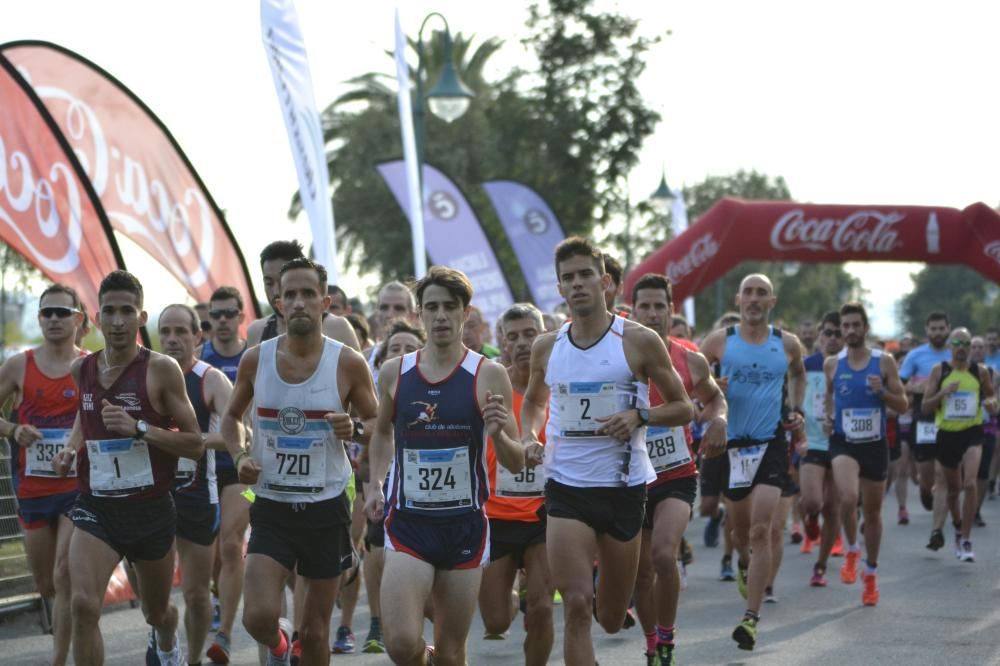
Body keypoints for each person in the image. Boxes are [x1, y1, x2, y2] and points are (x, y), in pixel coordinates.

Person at [520, 238, 694, 666]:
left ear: (603, 281)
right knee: (577, 604)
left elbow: (683, 407)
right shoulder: (547, 347)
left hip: (623, 489)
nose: (577, 284)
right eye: (568, 278)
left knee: (611, 618)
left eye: (584, 275)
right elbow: (534, 402)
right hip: (566, 489)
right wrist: (528, 436)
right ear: (560, 288)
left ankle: (612, 610)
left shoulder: (638, 340)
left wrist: (641, 416)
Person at [364, 266, 525, 666]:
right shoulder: (394, 373)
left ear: (465, 313)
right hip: (408, 525)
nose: (440, 316)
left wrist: (499, 433)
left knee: (453, 653)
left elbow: (516, 459)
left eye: (449, 307)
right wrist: (376, 484)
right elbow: (383, 433)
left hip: (463, 527)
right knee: (401, 644)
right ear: (419, 313)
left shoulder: (488, 374)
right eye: (431, 307)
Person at [221, 258, 378, 666]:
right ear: (278, 303)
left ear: (325, 302)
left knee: (315, 630)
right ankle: (278, 643)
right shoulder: (256, 359)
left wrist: (354, 430)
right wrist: (240, 454)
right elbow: (231, 418)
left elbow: (378, 423)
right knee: (257, 617)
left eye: (308, 294)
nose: (299, 302)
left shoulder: (347, 362)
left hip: (326, 506)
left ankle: (298, 642)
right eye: (290, 294)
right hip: (272, 504)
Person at [51, 270, 204, 666]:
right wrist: (71, 449)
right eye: (109, 312)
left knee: (154, 612)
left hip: (150, 510)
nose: (117, 321)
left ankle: (167, 637)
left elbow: (195, 444)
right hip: (97, 505)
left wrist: (140, 429)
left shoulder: (160, 369)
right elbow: (87, 420)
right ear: (96, 319)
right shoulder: (80, 369)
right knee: (83, 605)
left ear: (141, 317)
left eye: (126, 311)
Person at [699, 273, 805, 651]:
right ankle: (743, 563)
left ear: (771, 301)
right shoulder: (718, 341)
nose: (755, 299)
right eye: (749, 293)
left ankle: (751, 619)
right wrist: (710, 392)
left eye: (762, 293)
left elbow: (798, 374)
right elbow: (693, 381)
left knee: (762, 531)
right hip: (731, 446)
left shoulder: (787, 343)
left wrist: (796, 409)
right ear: (739, 299)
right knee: (740, 534)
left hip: (771, 444)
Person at [630, 273, 726, 666]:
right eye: (644, 306)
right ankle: (652, 642)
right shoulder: (620, 354)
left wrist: (719, 420)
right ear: (632, 310)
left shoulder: (690, 359)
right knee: (640, 574)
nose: (652, 314)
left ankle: (666, 638)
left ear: (671, 310)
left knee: (664, 554)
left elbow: (715, 399)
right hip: (631, 478)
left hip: (676, 474)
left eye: (659, 306)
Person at [0, 284, 86, 666]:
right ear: (39, 318)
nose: (53, 319)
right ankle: (62, 631)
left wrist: (74, 445)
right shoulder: (19, 365)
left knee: (65, 572)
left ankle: (59, 659)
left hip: (76, 487)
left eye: (61, 312)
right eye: (47, 312)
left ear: (77, 319)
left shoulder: (89, 366)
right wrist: (13, 430)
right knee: (47, 583)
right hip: (33, 488)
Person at [477, 303, 554, 665]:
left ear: (545, 336)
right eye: (513, 337)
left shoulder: (560, 387)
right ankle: (510, 591)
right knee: (495, 621)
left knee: (540, 609)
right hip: (497, 514)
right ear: (502, 342)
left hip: (546, 514)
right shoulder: (492, 388)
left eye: (530, 334)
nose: (522, 343)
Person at [159, 304, 234, 665]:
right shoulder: (148, 376)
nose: (172, 339)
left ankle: (191, 659)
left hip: (197, 497)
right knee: (153, 596)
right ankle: (163, 638)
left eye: (180, 332)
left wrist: (190, 441)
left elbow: (239, 434)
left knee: (197, 594)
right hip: (151, 496)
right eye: (166, 332)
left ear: (196, 336)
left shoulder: (212, 379)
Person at [824, 302, 908, 606]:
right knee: (847, 498)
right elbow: (830, 401)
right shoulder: (833, 364)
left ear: (865, 328)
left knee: (872, 512)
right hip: (844, 441)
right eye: (845, 326)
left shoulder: (883, 362)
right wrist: (827, 418)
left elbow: (903, 406)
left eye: (855, 325)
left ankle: (870, 573)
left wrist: (883, 393)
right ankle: (851, 550)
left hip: (874, 443)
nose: (849, 331)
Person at [358, 320, 427, 654]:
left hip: (442, 503)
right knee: (377, 550)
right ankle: (377, 619)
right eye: (394, 349)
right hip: (389, 493)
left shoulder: (442, 386)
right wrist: (375, 486)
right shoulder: (380, 386)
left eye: (410, 348)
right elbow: (374, 436)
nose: (401, 355)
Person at [198, 286, 251, 665]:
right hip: (202, 465)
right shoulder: (200, 359)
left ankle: (225, 634)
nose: (220, 321)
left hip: (239, 465)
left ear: (240, 317)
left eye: (227, 313)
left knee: (232, 545)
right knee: (214, 553)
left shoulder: (254, 358)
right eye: (213, 316)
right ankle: (218, 597)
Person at [921, 327, 998, 561]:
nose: (963, 347)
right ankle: (956, 529)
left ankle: (965, 539)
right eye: (958, 343)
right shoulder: (939, 371)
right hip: (947, 434)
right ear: (949, 347)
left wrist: (992, 404)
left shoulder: (981, 372)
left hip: (972, 432)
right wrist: (943, 393)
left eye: (966, 343)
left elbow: (992, 397)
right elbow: (925, 406)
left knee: (970, 483)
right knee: (953, 490)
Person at [247, 241, 360, 350]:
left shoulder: (338, 328)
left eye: (282, 282)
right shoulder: (256, 331)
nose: (276, 291)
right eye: (269, 283)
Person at [799, 311, 844, 586]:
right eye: (828, 333)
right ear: (819, 335)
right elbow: (792, 400)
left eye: (838, 334)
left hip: (842, 444)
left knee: (834, 508)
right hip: (813, 441)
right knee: (814, 501)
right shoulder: (806, 365)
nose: (833, 338)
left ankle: (821, 566)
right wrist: (798, 434)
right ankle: (810, 518)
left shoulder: (852, 365)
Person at [898, 312, 953, 511]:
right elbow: (898, 386)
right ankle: (925, 489)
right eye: (933, 329)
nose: (938, 333)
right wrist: (914, 388)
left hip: (951, 417)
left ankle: (944, 503)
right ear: (927, 331)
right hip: (925, 418)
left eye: (941, 328)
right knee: (927, 470)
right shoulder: (915, 355)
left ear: (948, 329)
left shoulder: (955, 353)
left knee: (946, 468)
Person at [969, 336, 997, 526]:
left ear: (986, 350)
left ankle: (975, 510)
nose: (978, 350)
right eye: (974, 347)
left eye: (981, 347)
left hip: (986, 427)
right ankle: (960, 507)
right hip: (963, 427)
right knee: (965, 473)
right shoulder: (958, 370)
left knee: (982, 472)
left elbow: (996, 401)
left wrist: (991, 404)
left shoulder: (993, 374)